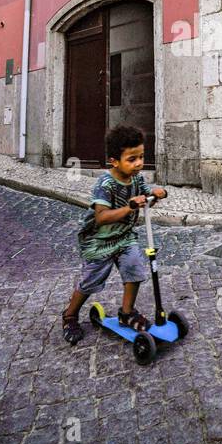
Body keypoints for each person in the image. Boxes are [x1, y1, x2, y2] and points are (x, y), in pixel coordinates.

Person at [61, 124, 167, 345]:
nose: (139, 163)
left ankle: (127, 312)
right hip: (99, 241)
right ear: (114, 161)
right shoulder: (105, 183)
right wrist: (130, 207)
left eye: (141, 157)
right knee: (92, 280)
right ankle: (70, 315)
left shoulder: (137, 178)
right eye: (132, 159)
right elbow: (101, 217)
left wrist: (156, 194)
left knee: (134, 267)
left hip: (124, 237)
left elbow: (145, 198)